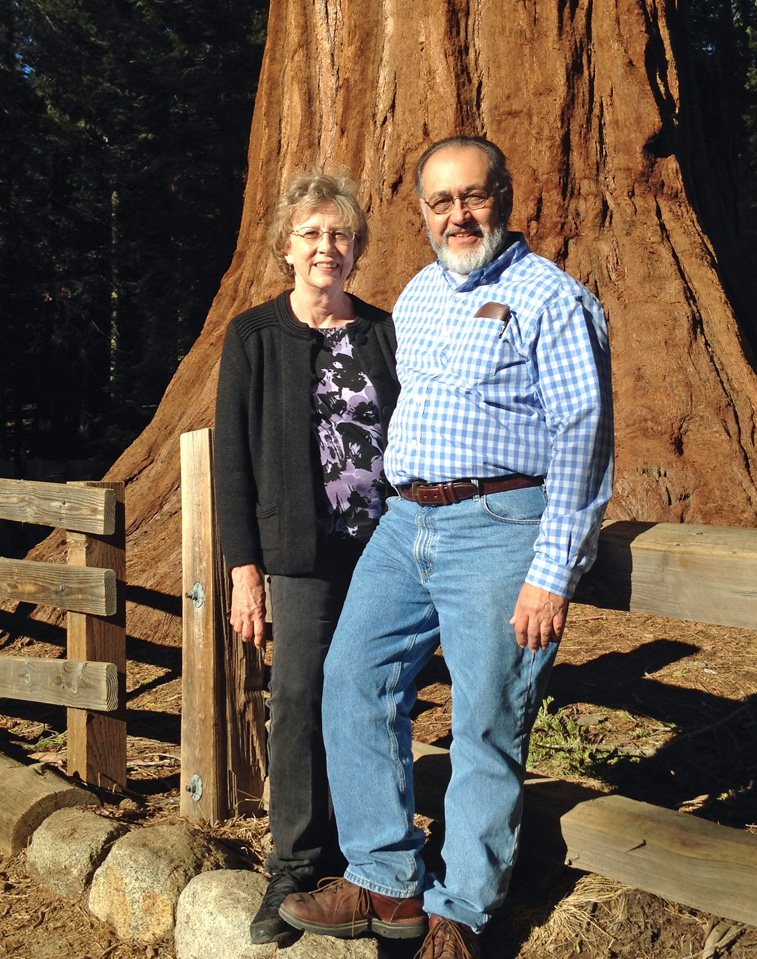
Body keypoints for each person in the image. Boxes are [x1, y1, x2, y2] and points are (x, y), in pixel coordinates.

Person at [278, 136, 614, 958]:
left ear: (504, 195)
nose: (457, 214)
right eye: (440, 201)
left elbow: (583, 437)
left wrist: (552, 569)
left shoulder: (551, 296)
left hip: (503, 527)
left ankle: (460, 907)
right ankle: (385, 881)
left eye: (473, 196)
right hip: (406, 523)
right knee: (353, 678)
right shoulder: (421, 293)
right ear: (423, 213)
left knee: (487, 720)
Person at [213, 169, 399, 945]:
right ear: (286, 247)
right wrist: (243, 567)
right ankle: (294, 861)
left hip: (386, 544)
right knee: (295, 694)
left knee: (375, 695)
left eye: (340, 234)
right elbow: (233, 462)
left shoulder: (385, 331)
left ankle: (377, 867)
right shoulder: (255, 335)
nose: (327, 246)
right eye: (312, 233)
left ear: (356, 247)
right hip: (297, 550)